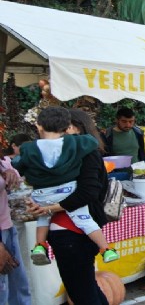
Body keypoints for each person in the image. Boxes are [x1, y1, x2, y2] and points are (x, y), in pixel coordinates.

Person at [26, 108, 110, 305]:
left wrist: (48, 208)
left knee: (82, 292)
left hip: (73, 231)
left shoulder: (85, 154)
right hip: (71, 231)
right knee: (86, 288)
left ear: (73, 128)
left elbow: (87, 192)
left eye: (60, 129)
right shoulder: (67, 154)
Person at [16, 107, 118, 266]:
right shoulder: (75, 143)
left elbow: (19, 165)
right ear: (66, 127)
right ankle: (106, 249)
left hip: (42, 194)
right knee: (86, 221)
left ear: (39, 126)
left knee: (43, 218)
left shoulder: (29, 148)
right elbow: (91, 141)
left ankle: (39, 246)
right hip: (67, 191)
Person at [0, 156, 31, 305]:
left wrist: (9, 171)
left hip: (7, 228)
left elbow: (18, 182)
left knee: (18, 285)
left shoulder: (3, 162)